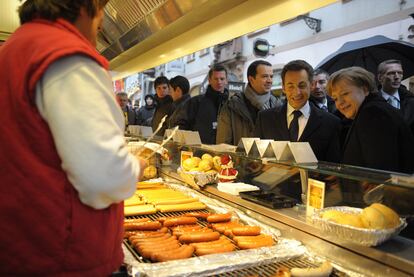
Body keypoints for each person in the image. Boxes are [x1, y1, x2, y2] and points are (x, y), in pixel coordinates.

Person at [0, 1, 145, 276]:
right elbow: (104, 175)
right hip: (61, 254)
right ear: (85, 6)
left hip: (24, 245)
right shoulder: (66, 57)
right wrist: (136, 167)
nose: (101, 24)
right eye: (101, 11)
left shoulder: (16, 48)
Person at [327, 66, 414, 173]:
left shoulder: (373, 113)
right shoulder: (372, 110)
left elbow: (380, 172)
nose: (339, 102)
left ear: (365, 89)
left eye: (345, 93)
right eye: (335, 98)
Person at [255, 60, 341, 162]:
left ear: (311, 85)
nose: (297, 92)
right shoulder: (265, 118)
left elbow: (333, 167)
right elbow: (256, 159)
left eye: (302, 85)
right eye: (290, 86)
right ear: (283, 87)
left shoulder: (331, 123)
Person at [217, 60, 283, 145]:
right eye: (265, 76)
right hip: (240, 158)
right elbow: (223, 145)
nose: (269, 80)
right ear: (251, 79)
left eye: (271, 76)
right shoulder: (231, 106)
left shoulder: (278, 106)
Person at [181, 65, 229, 144]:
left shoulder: (231, 104)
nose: (219, 82)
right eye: (216, 79)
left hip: (225, 152)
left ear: (226, 80)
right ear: (209, 80)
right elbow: (181, 124)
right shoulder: (196, 102)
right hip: (199, 152)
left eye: (222, 79)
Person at [377, 59, 414, 134]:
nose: (397, 77)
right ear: (380, 78)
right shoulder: (370, 102)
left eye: (400, 73)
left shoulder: (411, 102)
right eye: (391, 73)